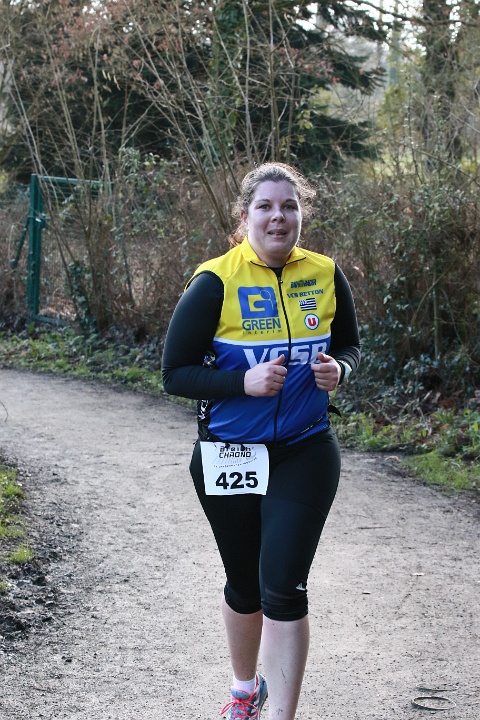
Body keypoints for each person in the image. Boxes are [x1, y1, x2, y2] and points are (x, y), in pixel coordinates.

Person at [161, 162, 360, 720]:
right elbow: (174, 373)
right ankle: (245, 691)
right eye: (266, 206)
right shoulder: (214, 282)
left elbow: (350, 346)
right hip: (229, 453)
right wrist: (240, 383)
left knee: (284, 587)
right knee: (245, 586)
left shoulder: (325, 273)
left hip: (305, 449)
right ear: (245, 215)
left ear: (302, 214)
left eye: (289, 206)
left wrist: (340, 370)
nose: (279, 217)